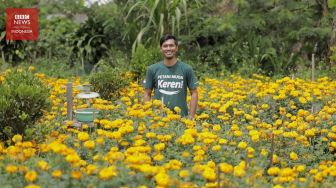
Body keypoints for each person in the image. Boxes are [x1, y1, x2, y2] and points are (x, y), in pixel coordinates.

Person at [143, 34, 198, 119]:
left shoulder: (187, 69)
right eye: (165, 46)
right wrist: (149, 115)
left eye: (171, 45)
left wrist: (191, 116)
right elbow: (147, 93)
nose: (168, 48)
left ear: (176, 48)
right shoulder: (152, 69)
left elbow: (194, 93)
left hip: (181, 119)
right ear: (161, 49)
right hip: (159, 119)